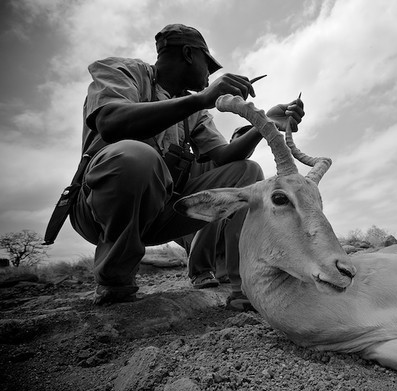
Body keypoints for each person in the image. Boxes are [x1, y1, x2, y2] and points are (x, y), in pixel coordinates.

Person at [69, 23, 304, 309]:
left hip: (163, 213)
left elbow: (222, 157)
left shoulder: (195, 110)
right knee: (137, 157)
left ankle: (243, 286)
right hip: (95, 211)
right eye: (209, 65)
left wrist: (264, 124)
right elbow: (110, 122)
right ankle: (115, 283)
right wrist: (201, 99)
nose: (210, 75)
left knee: (248, 173)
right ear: (189, 54)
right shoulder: (121, 70)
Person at [176, 126, 254, 289]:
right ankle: (200, 271)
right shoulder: (208, 157)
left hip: (219, 236)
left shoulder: (247, 173)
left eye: (250, 138)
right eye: (241, 136)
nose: (247, 140)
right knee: (216, 206)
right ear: (231, 140)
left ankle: (228, 271)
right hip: (187, 223)